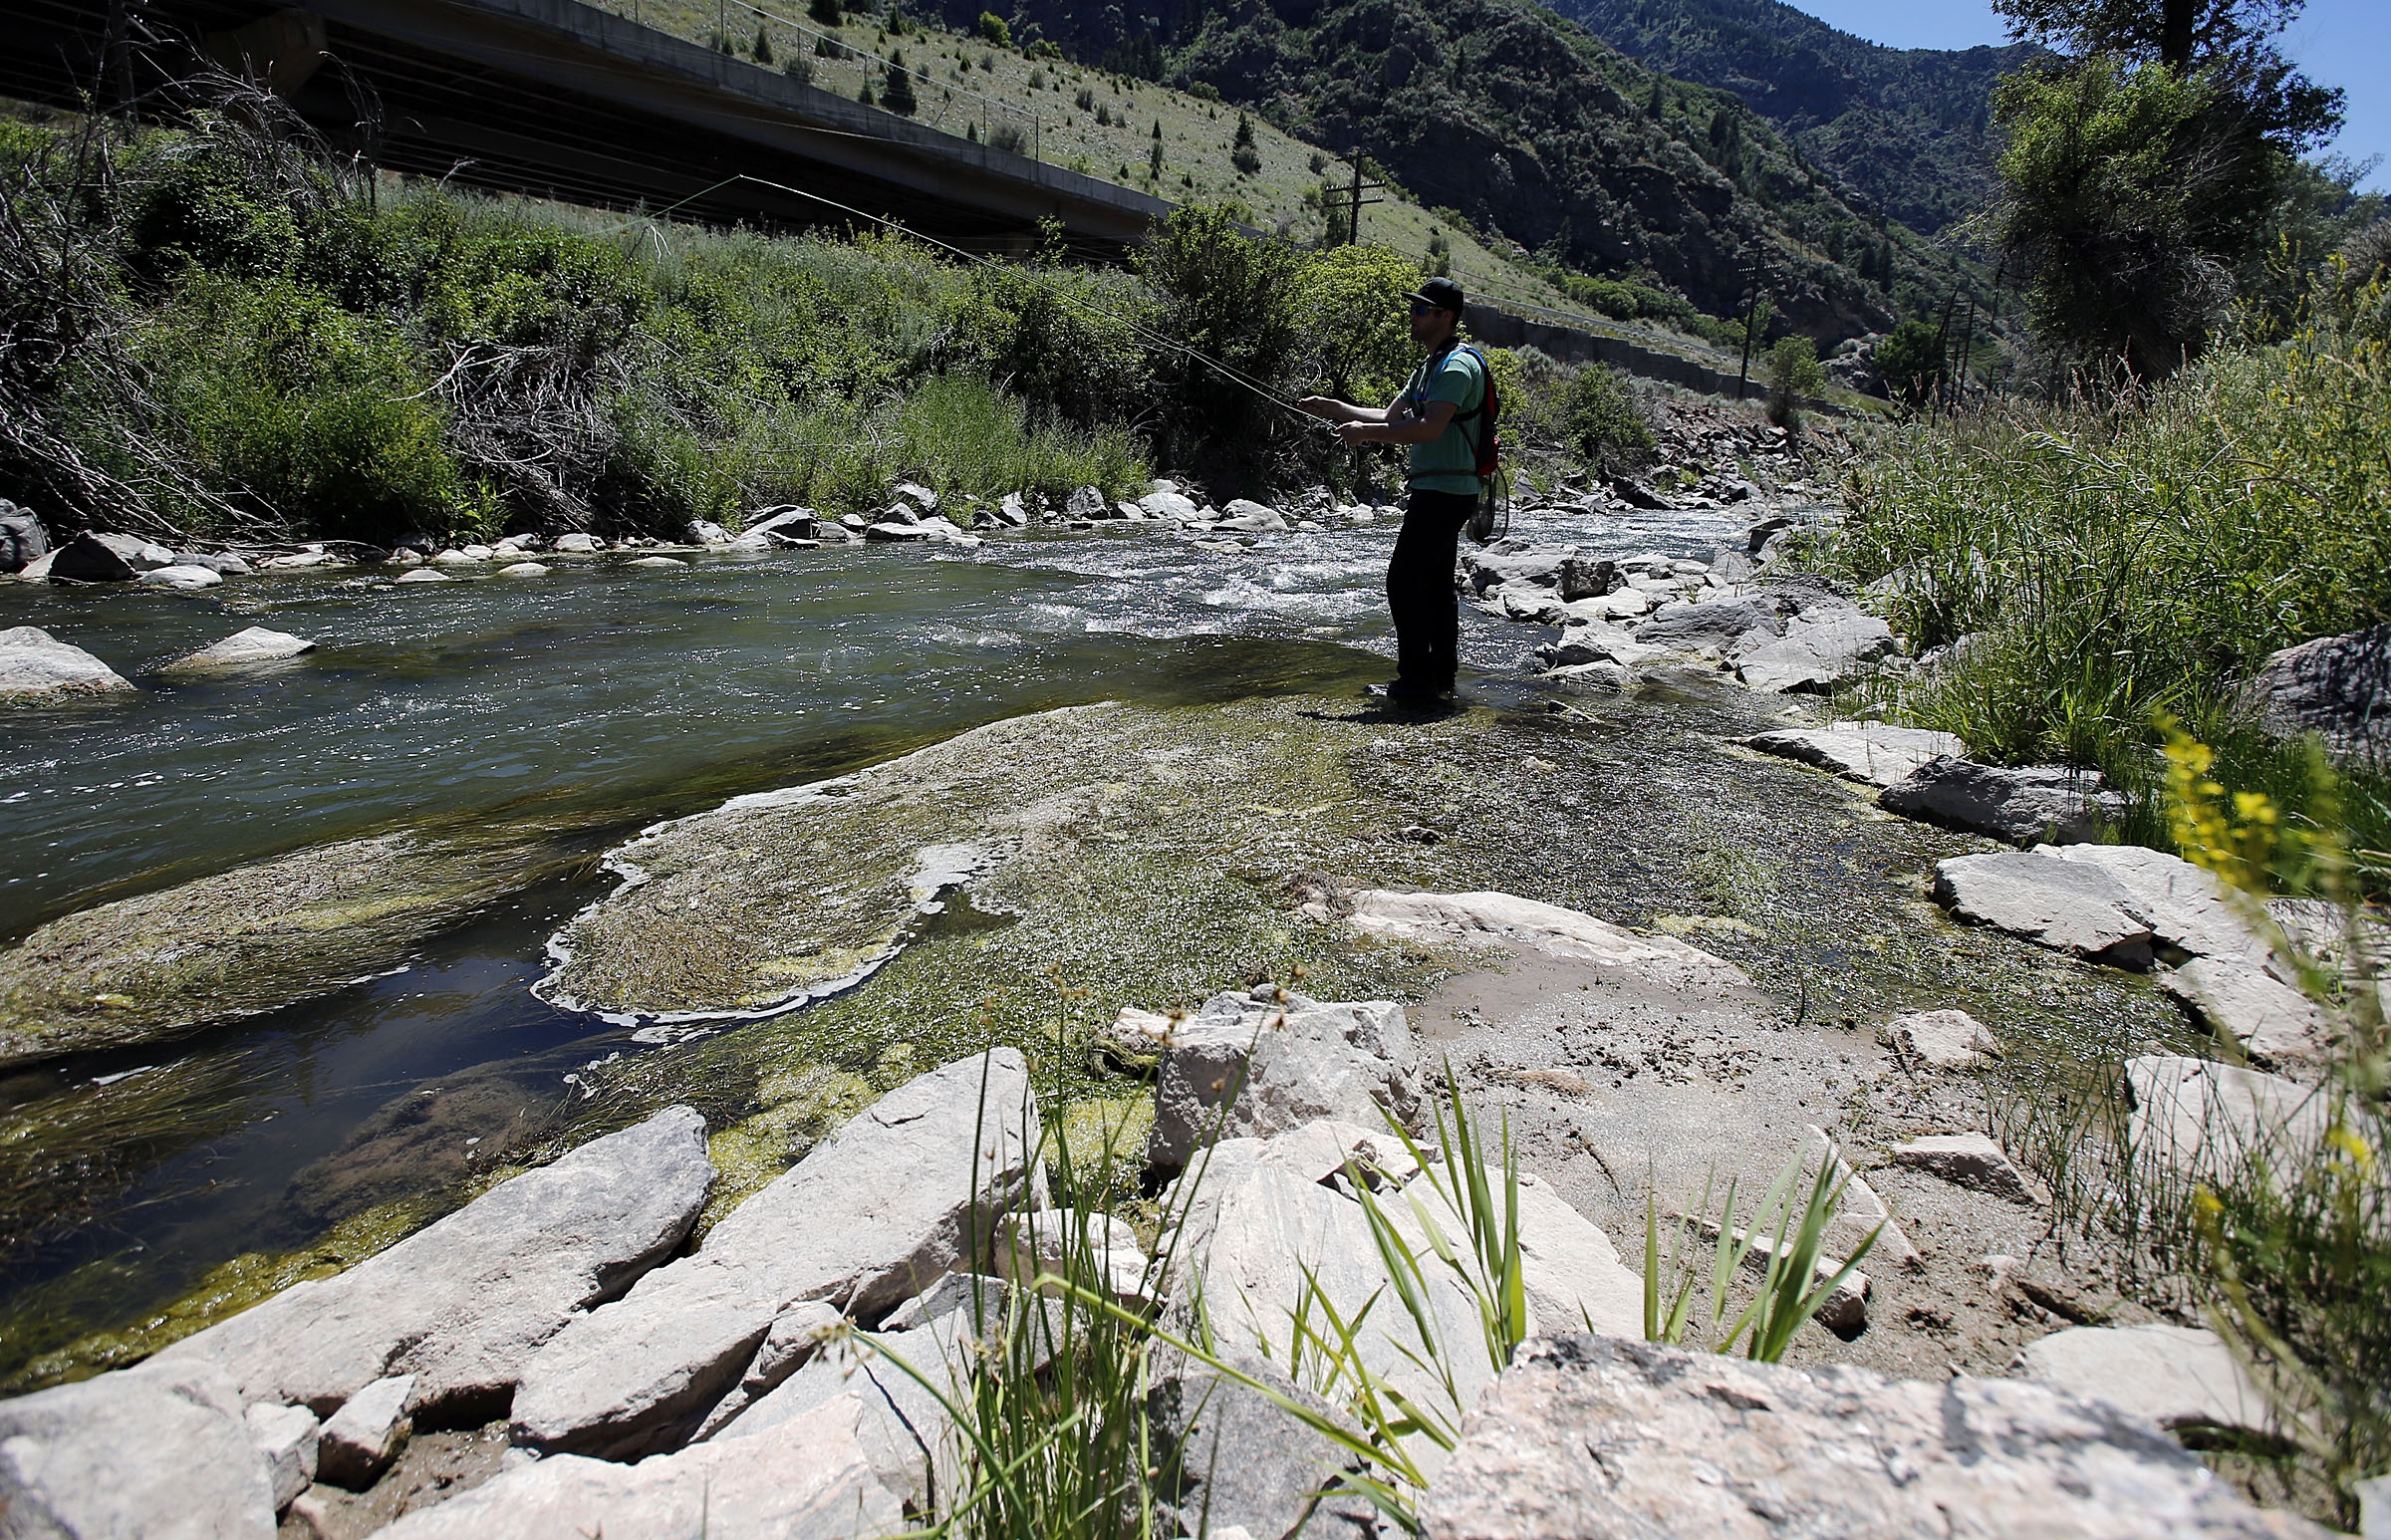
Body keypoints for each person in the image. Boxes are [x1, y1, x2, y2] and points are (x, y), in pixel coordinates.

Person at [1296, 275, 1485, 704]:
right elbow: (1389, 414)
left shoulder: (1458, 366)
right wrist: (1336, 408)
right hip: (1437, 489)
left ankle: (1416, 682)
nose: (1413, 316)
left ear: (1445, 316)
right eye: (1414, 308)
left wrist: (1367, 434)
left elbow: (1430, 427)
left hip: (1446, 491)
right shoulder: (1430, 366)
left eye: (1421, 309)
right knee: (1434, 585)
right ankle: (1439, 678)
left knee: (1403, 582)